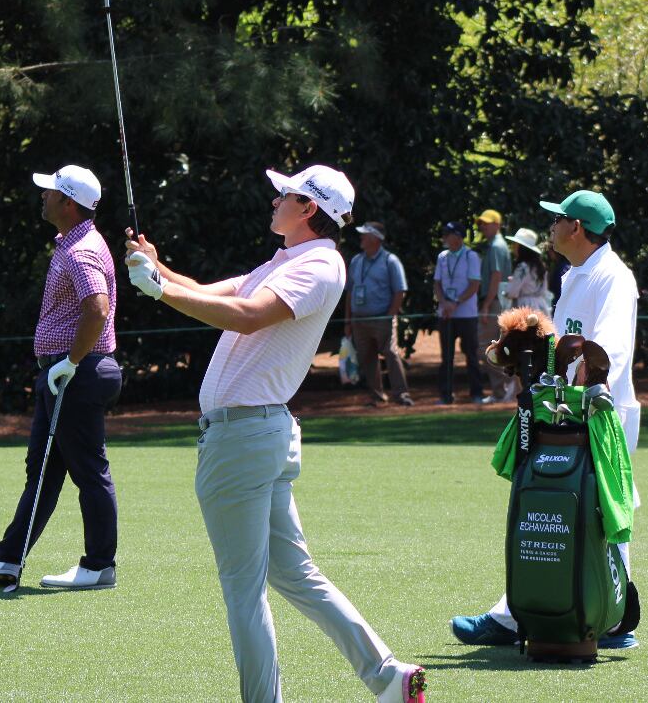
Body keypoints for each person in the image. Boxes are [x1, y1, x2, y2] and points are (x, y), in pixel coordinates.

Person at [122, 165, 427, 703]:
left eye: (284, 194)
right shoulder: (288, 259)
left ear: (308, 208)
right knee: (292, 573)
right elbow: (211, 294)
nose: (274, 200)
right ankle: (387, 677)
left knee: (244, 588)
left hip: (244, 439)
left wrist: (159, 290)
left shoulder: (319, 265)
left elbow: (245, 316)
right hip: (256, 435)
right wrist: (158, 270)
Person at [451, 189, 643, 651]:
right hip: (567, 410)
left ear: (576, 228)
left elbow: (607, 351)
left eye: (558, 220)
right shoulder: (576, 273)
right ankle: (607, 617)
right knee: (596, 509)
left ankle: (523, 616)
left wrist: (568, 391)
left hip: (597, 413)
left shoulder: (612, 277)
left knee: (595, 507)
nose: (551, 227)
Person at [0, 165, 123, 590]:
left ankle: (99, 565)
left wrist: (71, 362)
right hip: (66, 372)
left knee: (88, 471)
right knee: (43, 472)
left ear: (68, 203)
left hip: (76, 371)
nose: (42, 197)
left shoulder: (81, 250)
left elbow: (96, 308)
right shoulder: (72, 243)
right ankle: (7, 560)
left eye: (50, 193)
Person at [344, 221, 413, 406]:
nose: (361, 238)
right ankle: (377, 395)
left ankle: (401, 394)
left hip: (383, 318)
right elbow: (350, 292)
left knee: (391, 354)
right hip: (359, 320)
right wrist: (348, 321)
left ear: (375, 239)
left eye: (365, 235)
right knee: (367, 357)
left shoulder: (390, 261)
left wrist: (389, 316)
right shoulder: (356, 261)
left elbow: (400, 291)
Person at [434, 221, 483, 406]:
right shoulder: (442, 257)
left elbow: (474, 284)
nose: (445, 238)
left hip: (467, 314)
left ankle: (476, 393)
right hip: (446, 314)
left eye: (448, 234)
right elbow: (437, 283)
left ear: (458, 236)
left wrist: (455, 303)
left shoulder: (471, 256)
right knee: (446, 357)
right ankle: (446, 395)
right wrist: (444, 303)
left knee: (471, 354)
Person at [474, 209, 514, 403]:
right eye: (481, 223)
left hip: (494, 302)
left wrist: (486, 305)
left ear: (497, 225)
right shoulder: (494, 246)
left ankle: (501, 391)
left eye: (487, 223)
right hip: (495, 301)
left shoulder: (497, 246)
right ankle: (502, 390)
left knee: (486, 347)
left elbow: (496, 277)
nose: (483, 226)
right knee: (492, 347)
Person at [499, 227, 552, 314]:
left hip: (524, 307)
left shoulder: (523, 267)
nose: (513, 247)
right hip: (540, 306)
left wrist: (507, 289)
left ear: (522, 248)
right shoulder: (540, 266)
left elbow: (512, 293)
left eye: (515, 244)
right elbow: (544, 290)